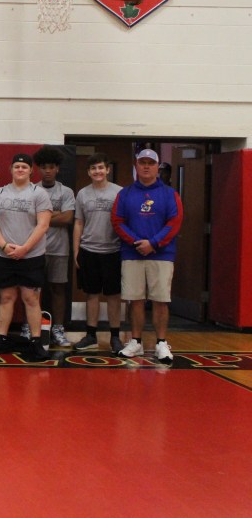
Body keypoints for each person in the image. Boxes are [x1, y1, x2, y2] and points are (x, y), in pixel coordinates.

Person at [111, 148, 183, 364]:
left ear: (157, 167)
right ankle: (136, 341)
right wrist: (137, 242)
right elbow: (117, 221)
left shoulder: (170, 194)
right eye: (142, 162)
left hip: (161, 255)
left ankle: (161, 343)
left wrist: (153, 243)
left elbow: (175, 222)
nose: (146, 166)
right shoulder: (125, 194)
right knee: (135, 300)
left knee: (161, 300)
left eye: (150, 163)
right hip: (132, 254)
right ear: (136, 165)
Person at [0, 153, 53, 360]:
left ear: (31, 170)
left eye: (24, 167)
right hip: (3, 255)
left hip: (31, 255)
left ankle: (36, 342)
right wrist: (4, 246)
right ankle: (2, 339)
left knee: (30, 298)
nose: (20, 170)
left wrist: (25, 248)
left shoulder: (39, 193)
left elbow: (43, 224)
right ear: (11, 170)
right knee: (6, 297)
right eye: (17, 167)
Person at [72, 153, 124, 353]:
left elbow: (125, 222)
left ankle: (115, 337)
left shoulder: (119, 192)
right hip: (89, 250)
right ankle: (91, 335)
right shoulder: (82, 194)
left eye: (101, 167)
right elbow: (78, 223)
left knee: (113, 295)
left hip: (113, 251)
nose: (97, 171)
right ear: (88, 172)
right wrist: (76, 251)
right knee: (91, 294)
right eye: (93, 168)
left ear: (107, 170)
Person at [34, 146, 75, 348]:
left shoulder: (65, 191)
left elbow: (68, 218)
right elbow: (29, 218)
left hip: (59, 249)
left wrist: (42, 217)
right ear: (39, 169)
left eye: (51, 167)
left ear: (57, 169)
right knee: (33, 291)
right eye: (44, 167)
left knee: (58, 289)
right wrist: (55, 214)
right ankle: (32, 327)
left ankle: (58, 328)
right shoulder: (32, 190)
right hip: (35, 249)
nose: (48, 171)